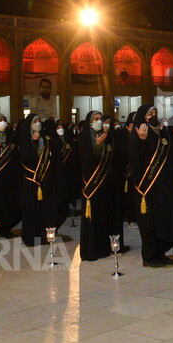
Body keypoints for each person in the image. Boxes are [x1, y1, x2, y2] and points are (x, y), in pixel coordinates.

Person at [129, 105, 173, 266]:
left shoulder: (163, 132)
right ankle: (150, 256)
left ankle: (161, 252)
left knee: (165, 218)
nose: (153, 116)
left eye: (155, 113)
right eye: (150, 113)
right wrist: (142, 141)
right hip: (149, 186)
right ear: (143, 116)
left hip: (166, 185)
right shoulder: (138, 133)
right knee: (151, 221)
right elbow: (135, 159)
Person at [78, 111, 115, 261]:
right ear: (89, 122)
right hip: (91, 182)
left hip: (104, 183)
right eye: (96, 119)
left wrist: (105, 141)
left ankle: (103, 248)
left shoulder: (105, 137)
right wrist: (98, 145)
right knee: (91, 217)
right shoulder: (85, 138)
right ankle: (91, 250)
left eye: (101, 119)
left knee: (103, 215)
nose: (99, 122)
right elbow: (88, 160)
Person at [19, 114, 60, 247]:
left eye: (39, 121)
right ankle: (31, 237)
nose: (38, 123)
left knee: (45, 209)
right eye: (35, 121)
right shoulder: (25, 140)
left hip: (45, 180)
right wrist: (34, 142)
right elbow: (26, 159)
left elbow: (52, 158)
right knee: (32, 209)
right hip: (31, 181)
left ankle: (45, 236)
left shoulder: (46, 139)